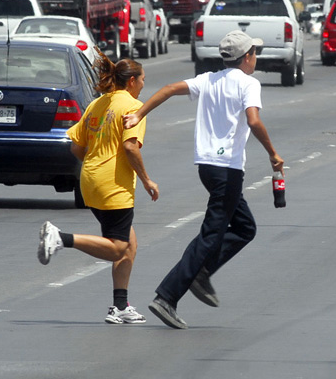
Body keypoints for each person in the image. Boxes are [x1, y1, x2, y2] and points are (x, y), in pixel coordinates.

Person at [123, 30, 284, 330]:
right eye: (255, 53)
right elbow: (253, 120)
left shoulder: (209, 79)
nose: (256, 59)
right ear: (246, 57)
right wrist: (273, 154)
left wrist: (139, 114)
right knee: (211, 234)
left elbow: (169, 89)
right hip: (227, 171)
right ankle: (167, 296)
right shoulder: (249, 83)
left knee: (245, 227)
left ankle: (202, 272)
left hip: (207, 168)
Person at [37, 56, 160, 325]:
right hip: (113, 186)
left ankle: (120, 307)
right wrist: (147, 180)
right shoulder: (134, 108)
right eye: (142, 80)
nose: (143, 85)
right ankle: (61, 238)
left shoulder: (98, 104)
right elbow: (130, 146)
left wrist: (97, 163)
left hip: (89, 181)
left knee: (130, 243)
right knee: (118, 248)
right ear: (131, 81)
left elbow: (76, 147)